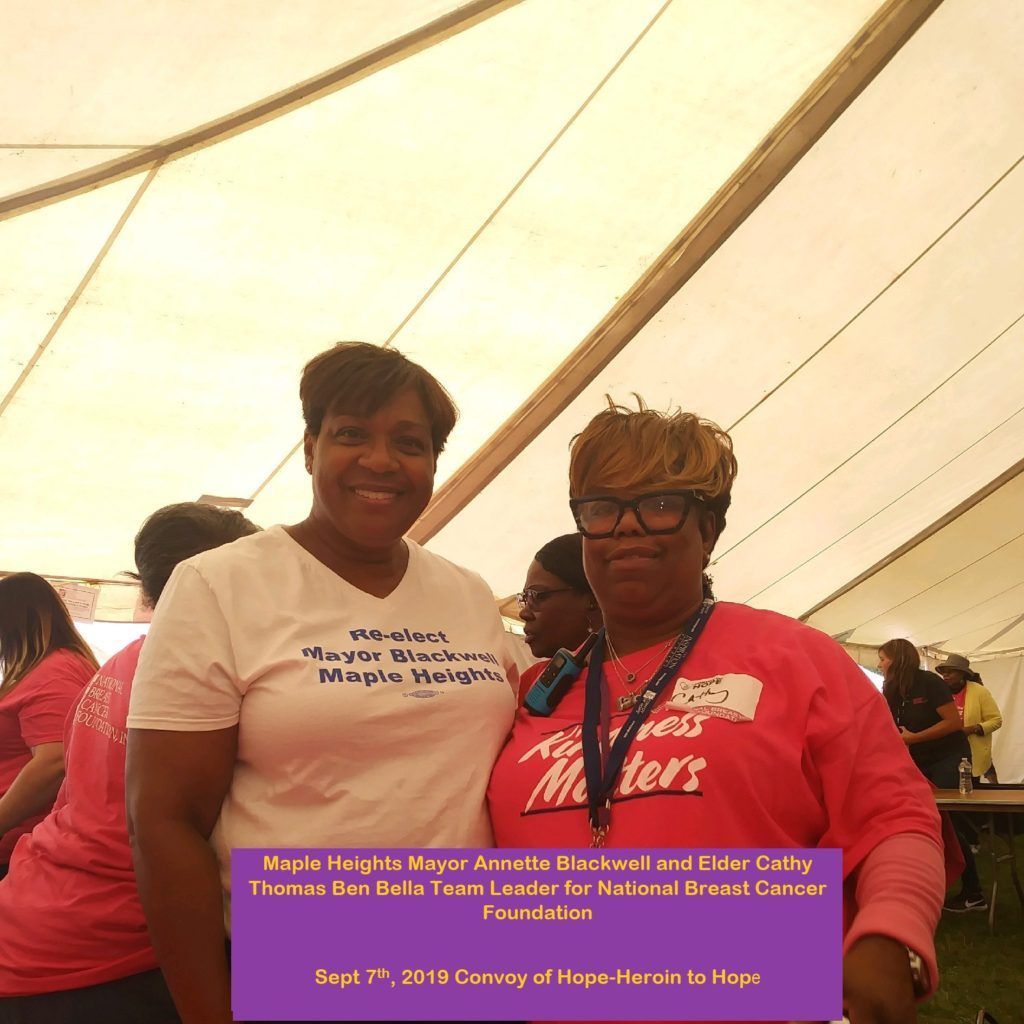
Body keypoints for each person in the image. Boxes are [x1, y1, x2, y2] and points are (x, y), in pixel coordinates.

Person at [488, 399, 945, 1024]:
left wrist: (890, 936)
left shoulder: (793, 655)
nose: (625, 526)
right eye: (601, 508)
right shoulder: (539, 687)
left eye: (658, 503)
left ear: (707, 529)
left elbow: (893, 815)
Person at [126, 342, 518, 1024]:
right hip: (303, 965)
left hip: (470, 958)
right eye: (350, 435)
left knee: (740, 953)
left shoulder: (467, 592)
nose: (380, 460)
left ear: (432, 463)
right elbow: (165, 822)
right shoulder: (219, 583)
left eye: (410, 442)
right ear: (309, 448)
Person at [0, 503, 259, 1024]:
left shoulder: (126, 660)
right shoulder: (220, 674)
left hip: (38, 918)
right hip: (109, 954)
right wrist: (440, 955)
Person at [0, 573, 97, 879]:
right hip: (20, 837)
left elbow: (55, 762)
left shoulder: (55, 672)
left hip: (19, 842)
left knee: (251, 921)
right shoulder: (47, 666)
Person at [878, 638, 985, 913]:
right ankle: (932, 885)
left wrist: (914, 739)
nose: (879, 664)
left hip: (949, 758)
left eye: (883, 658)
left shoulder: (930, 682)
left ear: (898, 658)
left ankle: (974, 893)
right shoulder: (890, 689)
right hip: (917, 761)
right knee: (927, 822)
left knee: (949, 819)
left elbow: (953, 723)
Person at [518, 532, 600, 663]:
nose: (523, 613)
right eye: (525, 598)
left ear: (593, 600)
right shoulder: (530, 679)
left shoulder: (638, 678)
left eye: (537, 596)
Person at [935, 652, 1002, 784]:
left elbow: (996, 720)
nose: (945, 675)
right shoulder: (939, 692)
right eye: (944, 672)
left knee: (970, 787)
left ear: (962, 674)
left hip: (971, 751)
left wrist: (973, 729)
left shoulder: (979, 692)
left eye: (950, 672)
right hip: (945, 752)